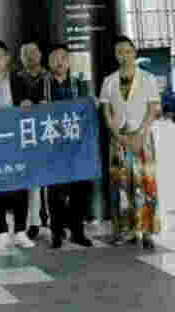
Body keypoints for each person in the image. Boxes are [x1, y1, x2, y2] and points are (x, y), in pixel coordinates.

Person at [99, 36, 160, 249]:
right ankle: (125, 231)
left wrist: (141, 134)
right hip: (118, 139)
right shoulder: (109, 81)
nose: (124, 56)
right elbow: (106, 112)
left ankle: (147, 231)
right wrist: (117, 135)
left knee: (146, 182)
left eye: (127, 51)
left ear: (134, 52)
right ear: (116, 56)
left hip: (143, 138)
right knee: (121, 185)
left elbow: (153, 109)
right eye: (119, 52)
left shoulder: (148, 78)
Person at [0, 40, 35, 249]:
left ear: (7, 58)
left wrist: (29, 104)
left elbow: (33, 104)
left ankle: (20, 230)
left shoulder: (21, 81)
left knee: (20, 185)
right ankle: (1, 230)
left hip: (17, 141)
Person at [47, 44, 93, 249]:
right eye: (55, 58)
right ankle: (56, 232)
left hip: (77, 146)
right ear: (49, 62)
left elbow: (88, 110)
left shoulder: (80, 84)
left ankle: (77, 231)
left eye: (63, 58)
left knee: (79, 190)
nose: (59, 62)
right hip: (53, 147)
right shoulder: (44, 84)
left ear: (69, 61)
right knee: (55, 191)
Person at [17, 40, 53, 241]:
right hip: (27, 135)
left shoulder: (49, 77)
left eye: (33, 52)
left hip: (49, 133)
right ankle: (34, 222)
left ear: (40, 54)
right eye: (26, 53)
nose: (30, 56)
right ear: (21, 58)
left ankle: (52, 219)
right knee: (32, 180)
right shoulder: (17, 79)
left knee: (50, 179)